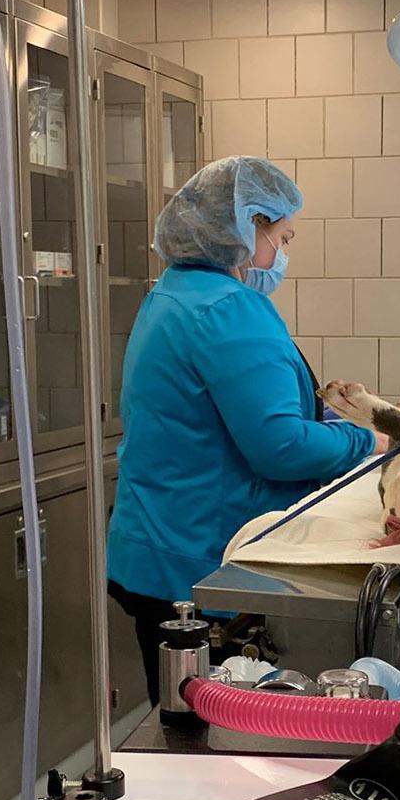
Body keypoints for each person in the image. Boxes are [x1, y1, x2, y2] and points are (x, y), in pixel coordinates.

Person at [108, 156, 377, 716]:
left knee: (179, 720)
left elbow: (227, 419)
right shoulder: (230, 308)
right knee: (217, 733)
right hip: (199, 565)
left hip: (156, 549)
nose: (283, 252)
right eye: (281, 236)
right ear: (247, 225)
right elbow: (281, 449)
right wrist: (371, 444)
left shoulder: (174, 294)